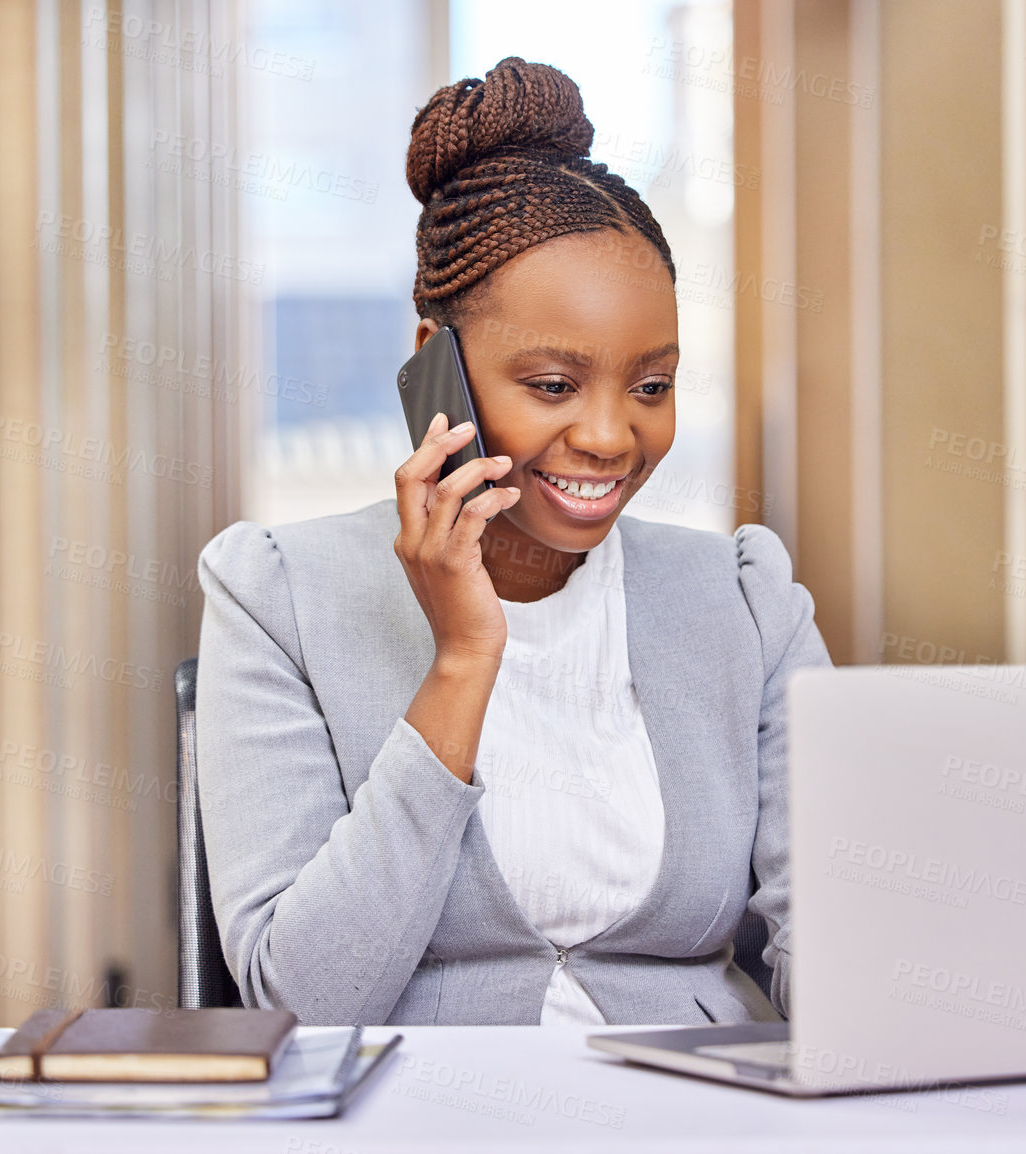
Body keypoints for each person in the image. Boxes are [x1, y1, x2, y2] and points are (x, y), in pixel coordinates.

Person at [196, 57, 832, 1026]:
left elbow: (841, 959)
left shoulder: (748, 601)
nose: (613, 436)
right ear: (435, 373)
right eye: (552, 385)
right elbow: (303, 1000)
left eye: (651, 386)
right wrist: (461, 660)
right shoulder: (275, 598)